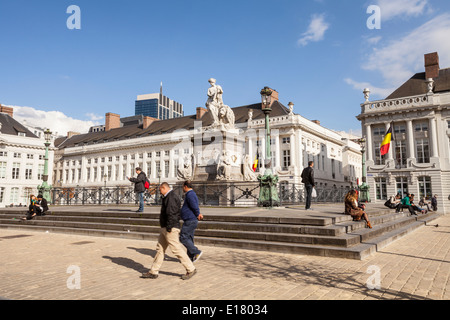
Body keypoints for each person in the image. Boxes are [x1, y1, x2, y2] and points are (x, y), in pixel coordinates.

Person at [141, 182, 197, 280]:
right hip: (166, 227)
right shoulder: (168, 196)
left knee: (176, 249)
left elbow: (172, 213)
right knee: (160, 249)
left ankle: (191, 268)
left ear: (164, 188)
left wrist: (170, 227)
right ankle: (153, 271)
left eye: (160, 190)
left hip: (170, 228)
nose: (160, 192)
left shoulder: (171, 197)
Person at [180, 181, 204, 263]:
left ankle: (196, 252)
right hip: (190, 219)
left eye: (183, 187)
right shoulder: (191, 194)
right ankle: (191, 256)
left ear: (186, 186)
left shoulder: (190, 194)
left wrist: (198, 213)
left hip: (190, 219)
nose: (182, 188)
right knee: (189, 238)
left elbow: (194, 205)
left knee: (183, 237)